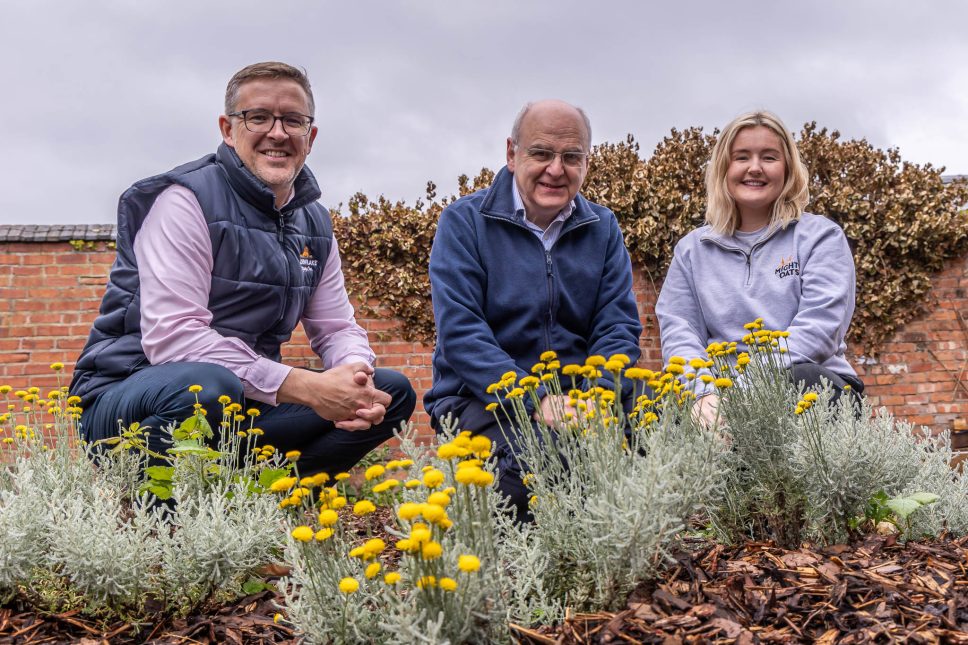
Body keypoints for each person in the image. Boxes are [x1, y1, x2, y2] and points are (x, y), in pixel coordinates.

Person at [70, 62, 416, 475]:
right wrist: (306, 387)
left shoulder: (315, 224)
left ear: (311, 135)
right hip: (131, 394)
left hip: (240, 402)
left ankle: (270, 510)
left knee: (388, 392)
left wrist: (354, 377)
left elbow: (337, 328)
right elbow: (175, 339)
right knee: (208, 387)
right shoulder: (185, 201)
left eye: (293, 120)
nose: (277, 132)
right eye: (258, 117)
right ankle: (155, 521)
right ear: (228, 129)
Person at [425, 99, 643, 520]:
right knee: (543, 468)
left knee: (672, 438)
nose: (556, 169)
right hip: (483, 398)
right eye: (541, 153)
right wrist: (538, 399)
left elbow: (617, 324)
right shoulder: (463, 223)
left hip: (583, 398)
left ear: (586, 161)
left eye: (571, 157)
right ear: (512, 154)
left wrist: (597, 395)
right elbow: (462, 333)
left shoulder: (603, 227)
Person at [655, 110, 863, 427]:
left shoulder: (820, 237)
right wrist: (702, 394)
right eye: (741, 157)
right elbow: (679, 332)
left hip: (808, 385)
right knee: (650, 415)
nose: (755, 167)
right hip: (716, 397)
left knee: (802, 379)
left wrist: (742, 390)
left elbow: (819, 330)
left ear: (788, 169)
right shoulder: (692, 250)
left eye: (769, 157)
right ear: (724, 168)